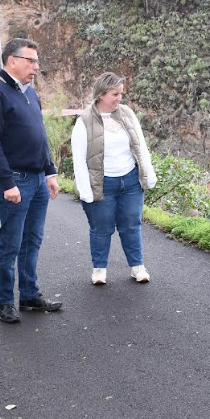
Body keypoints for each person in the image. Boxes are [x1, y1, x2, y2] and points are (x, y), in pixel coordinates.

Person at [0, 38, 61, 323]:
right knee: (11, 244)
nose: (36, 67)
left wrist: (50, 172)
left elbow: (40, 135)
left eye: (37, 61)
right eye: (31, 61)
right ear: (12, 60)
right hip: (15, 180)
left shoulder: (30, 93)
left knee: (32, 240)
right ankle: (4, 302)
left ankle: (28, 295)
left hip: (37, 180)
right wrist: (6, 183)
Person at [71, 72, 157, 285]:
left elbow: (141, 145)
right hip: (102, 183)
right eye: (115, 94)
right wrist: (85, 191)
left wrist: (149, 173)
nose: (120, 98)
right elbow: (79, 159)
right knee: (101, 228)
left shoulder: (127, 113)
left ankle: (137, 267)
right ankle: (99, 269)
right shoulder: (84, 121)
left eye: (121, 94)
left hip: (130, 181)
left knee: (131, 225)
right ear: (101, 94)